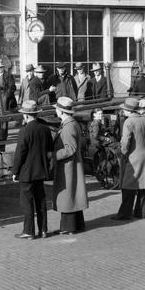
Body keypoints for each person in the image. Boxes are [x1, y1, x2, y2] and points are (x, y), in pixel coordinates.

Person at [11, 100, 53, 240]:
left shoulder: (25, 130)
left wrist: (15, 171)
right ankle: (43, 230)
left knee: (27, 203)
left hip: (26, 172)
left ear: (27, 115)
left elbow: (20, 153)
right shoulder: (45, 128)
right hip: (40, 170)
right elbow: (49, 149)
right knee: (41, 201)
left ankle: (29, 231)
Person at [112, 98, 145, 220]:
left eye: (124, 109)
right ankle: (140, 212)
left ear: (128, 110)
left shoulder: (129, 122)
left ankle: (124, 213)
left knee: (128, 186)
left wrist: (123, 154)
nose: (123, 111)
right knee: (143, 186)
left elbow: (125, 142)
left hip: (133, 156)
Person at [52, 97, 88, 234]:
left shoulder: (68, 127)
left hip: (68, 166)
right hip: (72, 165)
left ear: (61, 111)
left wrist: (53, 155)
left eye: (57, 108)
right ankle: (77, 225)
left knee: (68, 195)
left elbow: (70, 149)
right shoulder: (72, 124)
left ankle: (68, 227)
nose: (55, 110)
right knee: (74, 194)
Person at [0, 59, 17, 140]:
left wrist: (6, 97)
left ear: (3, 68)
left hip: (5, 101)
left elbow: (12, 88)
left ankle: (3, 136)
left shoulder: (9, 76)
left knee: (4, 118)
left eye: (1, 67)